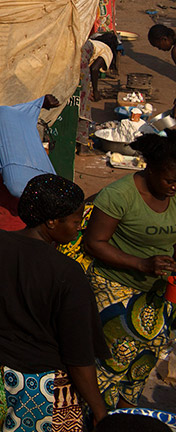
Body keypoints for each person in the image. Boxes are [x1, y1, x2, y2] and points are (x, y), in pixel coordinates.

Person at [0, 174, 109, 432]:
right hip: (41, 387)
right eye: (76, 221)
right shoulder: (67, 274)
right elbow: (78, 356)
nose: (79, 228)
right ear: (52, 222)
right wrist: (99, 411)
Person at [82, 133, 176, 410]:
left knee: (142, 364)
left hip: (157, 294)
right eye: (169, 180)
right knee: (110, 365)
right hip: (115, 290)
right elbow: (94, 243)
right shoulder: (119, 195)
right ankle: (97, 419)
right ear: (150, 168)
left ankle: (125, 419)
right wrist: (142, 264)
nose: (174, 187)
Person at [0, 94, 62, 230]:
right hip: (14, 223)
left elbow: (6, 116)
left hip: (0, 221)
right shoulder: (17, 160)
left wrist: (39, 104)